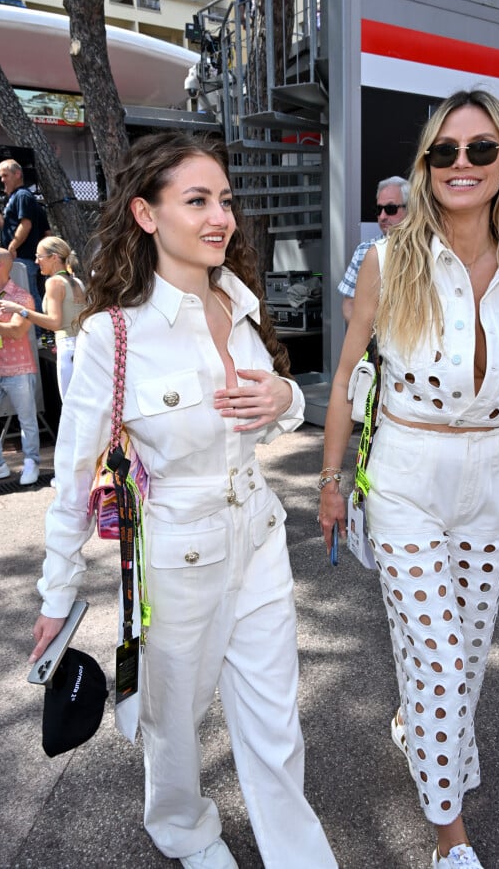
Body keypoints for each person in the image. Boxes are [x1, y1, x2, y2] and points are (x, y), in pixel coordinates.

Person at [28, 132, 337, 869]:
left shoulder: (242, 300)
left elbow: (281, 409)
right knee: (173, 718)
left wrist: (287, 395)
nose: (219, 216)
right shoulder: (114, 335)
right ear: (145, 214)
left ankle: (300, 858)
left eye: (224, 200)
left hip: (259, 537)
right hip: (175, 554)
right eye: (196, 200)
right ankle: (185, 830)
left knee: (273, 721)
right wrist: (55, 590)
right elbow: (73, 475)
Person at [318, 90, 499, 869]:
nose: (462, 164)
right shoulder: (391, 262)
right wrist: (330, 479)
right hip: (405, 473)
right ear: (426, 168)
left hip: (490, 476)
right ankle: (446, 833)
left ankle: (418, 725)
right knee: (443, 657)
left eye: (481, 150)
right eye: (444, 152)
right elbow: (348, 375)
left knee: (467, 648)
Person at [0, 236, 85, 399]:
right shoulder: (77, 282)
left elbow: (54, 322)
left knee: (70, 407)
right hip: (83, 346)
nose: (37, 261)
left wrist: (21, 310)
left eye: (39, 256)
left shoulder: (53, 283)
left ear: (54, 258)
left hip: (68, 349)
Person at [0, 246, 41, 486]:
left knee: (27, 419)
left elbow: (17, 331)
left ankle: (31, 462)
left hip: (18, 370)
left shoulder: (21, 298)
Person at [0, 159, 50, 326]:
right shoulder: (15, 198)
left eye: (5, 175)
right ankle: (35, 333)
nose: (3, 180)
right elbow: (6, 227)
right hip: (18, 257)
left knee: (28, 294)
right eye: (1, 176)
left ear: (17, 174)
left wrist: (12, 247)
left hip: (23, 256)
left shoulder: (22, 195)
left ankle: (39, 333)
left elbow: (25, 224)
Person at [337, 176, 409, 323]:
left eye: (390, 209)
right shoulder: (364, 250)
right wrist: (372, 337)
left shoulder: (430, 249)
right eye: (378, 209)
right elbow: (349, 305)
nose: (382, 216)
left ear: (411, 208)